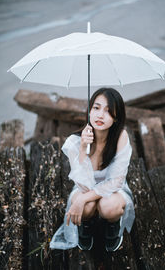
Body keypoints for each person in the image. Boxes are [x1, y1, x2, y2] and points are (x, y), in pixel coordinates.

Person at [50, 88, 135, 252]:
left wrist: (82, 200)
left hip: (114, 190)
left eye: (108, 111)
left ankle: (113, 225)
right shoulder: (74, 142)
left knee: (108, 206)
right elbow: (82, 185)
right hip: (85, 188)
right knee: (87, 208)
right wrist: (83, 149)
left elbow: (115, 182)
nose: (100, 115)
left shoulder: (121, 137)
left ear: (117, 118)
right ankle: (86, 224)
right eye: (96, 108)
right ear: (89, 110)